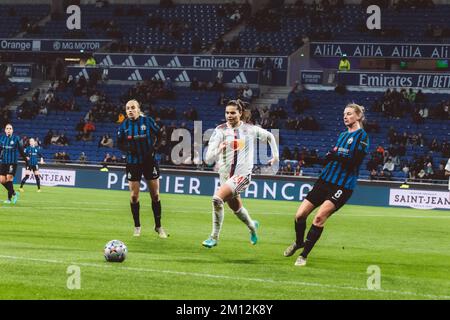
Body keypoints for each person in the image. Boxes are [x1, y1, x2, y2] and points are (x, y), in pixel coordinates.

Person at [284, 103, 369, 266]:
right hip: (325, 180)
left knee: (319, 218)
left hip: (342, 186)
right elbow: (331, 158)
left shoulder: (362, 137)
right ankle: (299, 242)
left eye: (350, 114)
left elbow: (354, 161)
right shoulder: (342, 135)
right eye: (344, 114)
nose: (346, 116)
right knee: (300, 215)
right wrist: (312, 160)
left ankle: (304, 255)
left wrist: (334, 156)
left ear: (358, 116)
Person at [202, 99, 279, 248]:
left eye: (233, 112)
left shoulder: (250, 129)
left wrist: (275, 156)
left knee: (217, 199)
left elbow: (270, 136)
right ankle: (252, 228)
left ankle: (214, 237)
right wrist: (219, 149)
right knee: (236, 209)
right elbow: (208, 159)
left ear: (240, 113)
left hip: (242, 176)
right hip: (225, 177)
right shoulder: (219, 131)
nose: (229, 115)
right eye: (227, 112)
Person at [117, 99, 168, 238]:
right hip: (133, 163)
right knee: (134, 196)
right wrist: (128, 149)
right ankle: (137, 226)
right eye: (127, 108)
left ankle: (158, 226)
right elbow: (119, 143)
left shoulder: (148, 121)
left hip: (149, 162)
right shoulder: (124, 125)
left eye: (133, 107)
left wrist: (155, 148)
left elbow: (160, 135)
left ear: (138, 109)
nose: (130, 110)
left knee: (155, 195)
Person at [0, 124, 28, 204]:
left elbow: (21, 150)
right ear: (5, 130)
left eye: (10, 128)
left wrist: (26, 161)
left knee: (9, 179)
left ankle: (9, 199)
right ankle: (15, 193)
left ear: (12, 130)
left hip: (12, 162)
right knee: (2, 180)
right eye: (7, 128)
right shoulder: (2, 138)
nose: (9, 130)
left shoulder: (16, 138)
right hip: (4, 162)